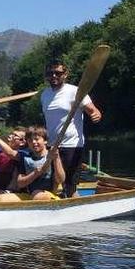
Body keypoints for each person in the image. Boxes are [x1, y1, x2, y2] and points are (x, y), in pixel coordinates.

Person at [41, 60, 102, 197]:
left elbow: (93, 110)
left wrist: (95, 115)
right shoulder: (45, 94)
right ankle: (52, 209)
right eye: (50, 73)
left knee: (70, 185)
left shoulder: (76, 91)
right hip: (52, 145)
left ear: (65, 74)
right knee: (52, 183)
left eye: (58, 73)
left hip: (72, 145)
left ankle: (77, 208)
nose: (54, 76)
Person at [0, 125, 29, 202]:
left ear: (22, 142)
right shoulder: (0, 151)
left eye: (15, 135)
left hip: (14, 192)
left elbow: (10, 152)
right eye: (11, 133)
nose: (10, 136)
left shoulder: (23, 155)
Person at [16, 126, 65, 200]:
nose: (33, 142)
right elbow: (20, 183)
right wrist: (36, 173)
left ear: (45, 141)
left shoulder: (53, 155)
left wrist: (56, 158)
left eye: (36, 139)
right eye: (30, 140)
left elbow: (60, 179)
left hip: (51, 195)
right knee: (2, 198)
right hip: (30, 195)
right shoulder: (26, 158)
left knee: (37, 195)